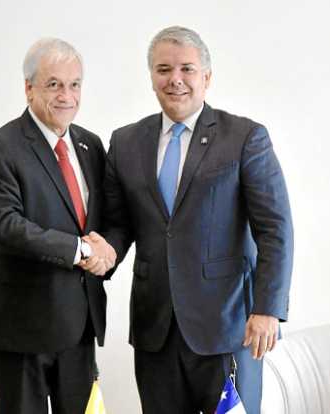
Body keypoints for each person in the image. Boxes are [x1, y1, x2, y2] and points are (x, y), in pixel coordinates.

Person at [102, 26, 293, 414]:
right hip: (156, 329)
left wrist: (268, 309)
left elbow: (275, 229)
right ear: (152, 77)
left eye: (187, 69)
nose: (175, 80)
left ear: (207, 77)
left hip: (228, 328)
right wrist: (104, 251)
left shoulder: (244, 137)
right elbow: (120, 225)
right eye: (163, 69)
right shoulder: (125, 142)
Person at [0, 38, 116, 414]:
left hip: (80, 326)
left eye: (75, 84)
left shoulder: (90, 145)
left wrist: (109, 251)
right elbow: (4, 223)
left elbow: (106, 223)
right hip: (23, 330)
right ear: (28, 88)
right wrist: (80, 250)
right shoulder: (0, 147)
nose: (66, 95)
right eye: (54, 84)